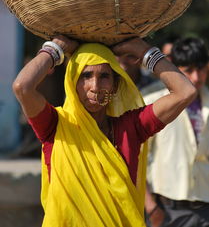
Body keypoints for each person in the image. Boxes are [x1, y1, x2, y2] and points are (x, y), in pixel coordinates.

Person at [12, 35, 196, 227]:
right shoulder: (55, 125)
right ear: (72, 82)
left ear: (115, 85)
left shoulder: (130, 128)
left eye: (104, 76)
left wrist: (145, 52)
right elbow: (22, 87)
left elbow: (185, 92)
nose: (95, 87)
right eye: (86, 76)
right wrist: (55, 48)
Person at [143, 37, 209, 227]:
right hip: (168, 209)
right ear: (174, 68)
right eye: (188, 71)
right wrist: (151, 208)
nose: (196, 78)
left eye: (201, 69)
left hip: (205, 206)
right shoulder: (153, 103)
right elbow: (134, 158)